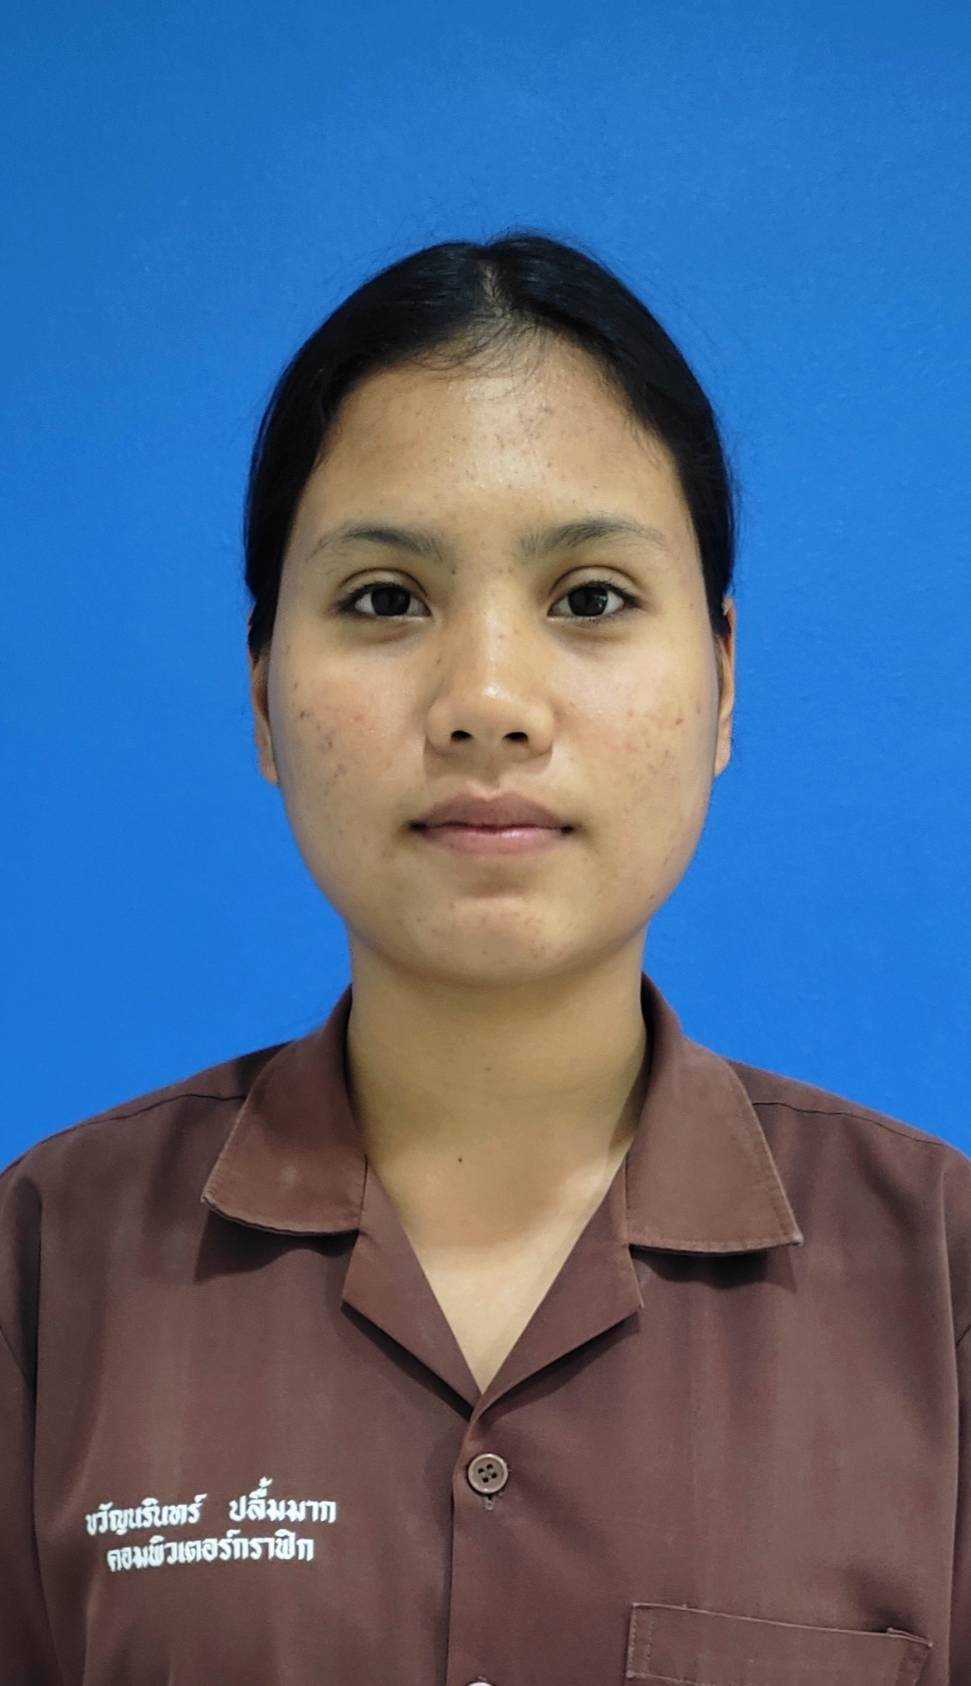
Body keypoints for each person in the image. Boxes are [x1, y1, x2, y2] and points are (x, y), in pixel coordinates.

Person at [1, 231, 967, 1686]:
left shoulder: (944, 1284)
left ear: (722, 680)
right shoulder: (43, 1270)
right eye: (386, 598)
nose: (489, 700)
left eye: (591, 597)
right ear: (261, 695)